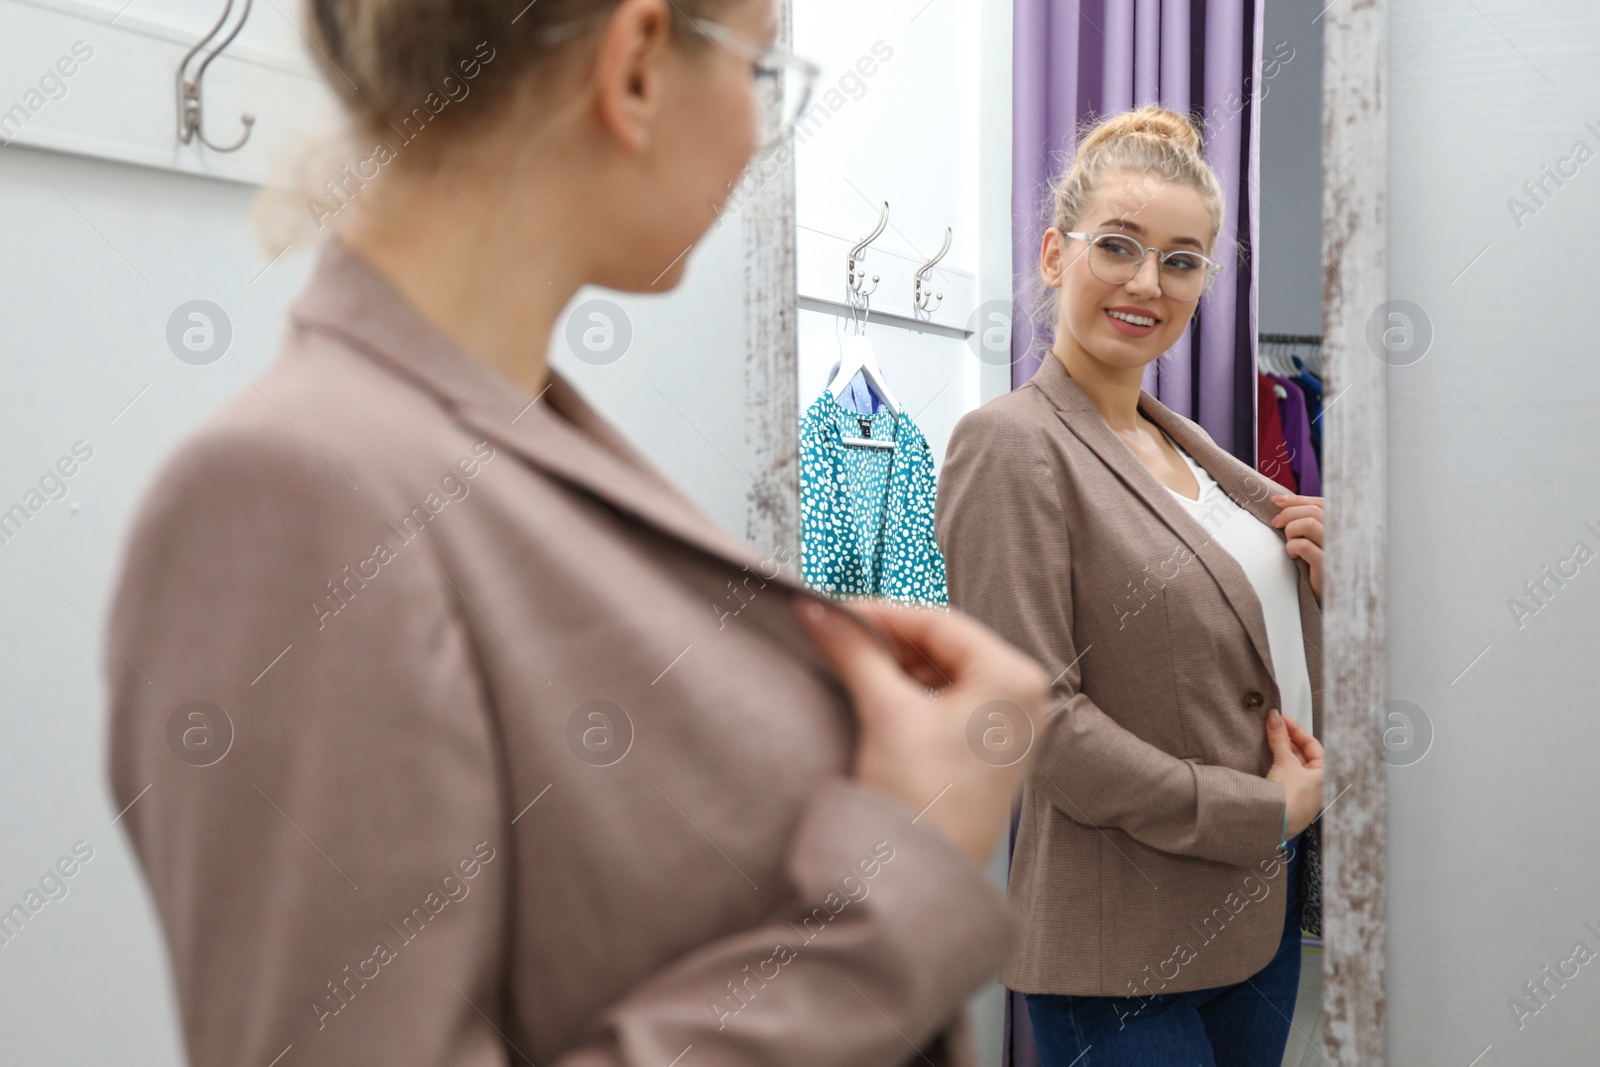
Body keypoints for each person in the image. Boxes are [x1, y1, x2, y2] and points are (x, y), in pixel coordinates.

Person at [103, 1, 1049, 1064]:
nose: (754, 128)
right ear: (638, 62)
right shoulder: (289, 495)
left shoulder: (518, 443)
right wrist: (904, 866)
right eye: (762, 72)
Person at [935, 104, 1327, 1067]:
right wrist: (1259, 812)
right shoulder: (1011, 446)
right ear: (1053, 255)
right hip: (1117, 954)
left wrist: (1325, 576)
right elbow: (1035, 720)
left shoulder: (1200, 462)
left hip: (1254, 917)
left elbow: (1243, 656)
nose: (1149, 283)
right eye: (1119, 246)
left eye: (1183, 260)